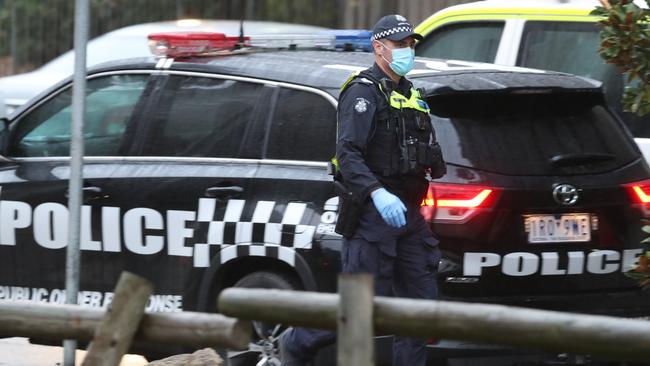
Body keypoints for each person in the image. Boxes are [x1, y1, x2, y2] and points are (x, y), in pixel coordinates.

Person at [280, 14, 444, 366]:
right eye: (400, 45)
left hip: (409, 216)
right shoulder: (363, 91)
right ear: (378, 47)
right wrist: (376, 193)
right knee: (361, 310)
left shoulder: (411, 93)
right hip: (372, 216)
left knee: (420, 310)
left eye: (410, 44)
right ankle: (297, 341)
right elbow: (348, 154)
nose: (407, 50)